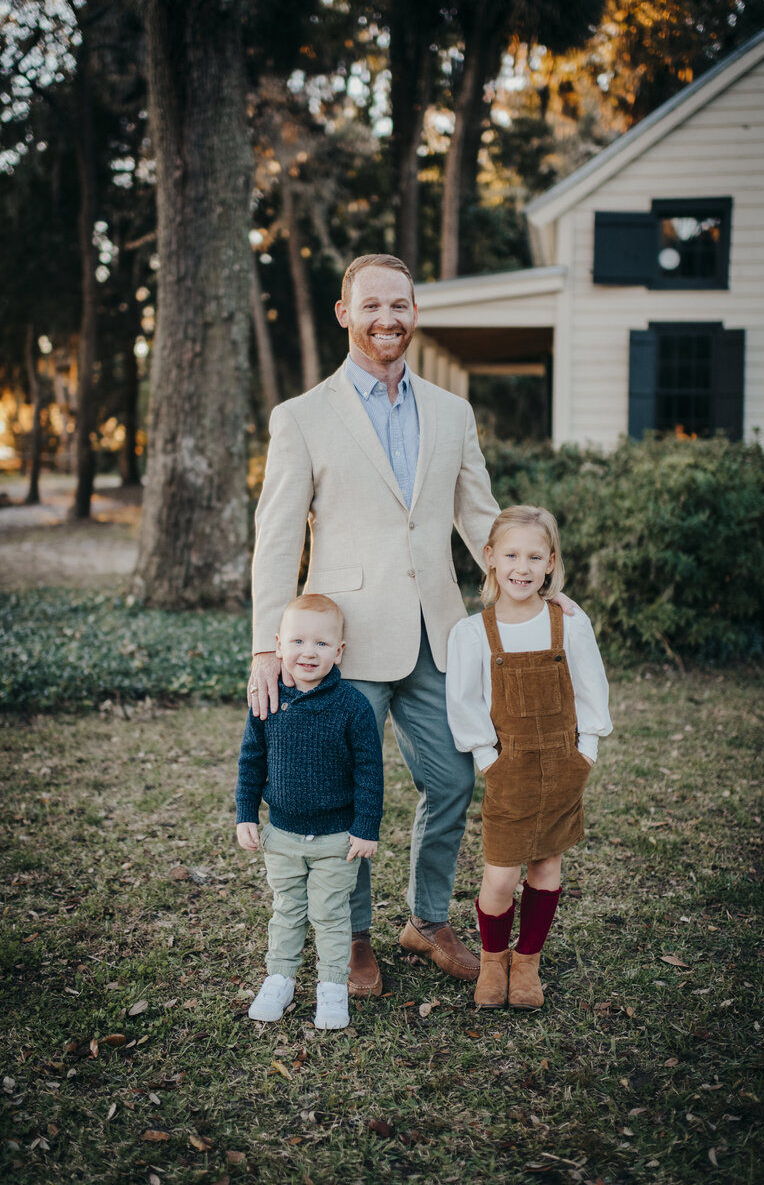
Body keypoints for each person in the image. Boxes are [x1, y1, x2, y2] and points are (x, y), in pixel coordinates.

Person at [247, 253, 504, 997]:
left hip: (437, 632)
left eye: (400, 304)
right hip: (341, 641)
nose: (387, 318)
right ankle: (353, 939)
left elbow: (479, 516)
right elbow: (276, 536)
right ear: (344, 313)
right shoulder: (301, 418)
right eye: (371, 305)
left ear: (414, 312)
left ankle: (426, 921)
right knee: (343, 791)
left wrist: (538, 591)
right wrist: (270, 644)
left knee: (453, 778)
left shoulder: (452, 412)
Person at [446, 505, 612, 1009]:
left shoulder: (568, 624)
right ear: (491, 558)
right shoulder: (473, 632)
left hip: (564, 763)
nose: (522, 566)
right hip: (509, 767)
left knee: (546, 868)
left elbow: (591, 689)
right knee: (499, 876)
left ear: (550, 563)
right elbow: (464, 702)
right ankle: (493, 960)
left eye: (534, 556)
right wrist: (487, 758)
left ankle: (527, 964)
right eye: (512, 554)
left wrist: (586, 751)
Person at [236, 594, 384, 1030]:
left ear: (339, 651)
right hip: (281, 834)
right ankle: (279, 979)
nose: (308, 652)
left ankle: (333, 987)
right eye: (298, 641)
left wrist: (365, 827)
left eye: (321, 644)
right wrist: (247, 813)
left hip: (337, 837)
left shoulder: (352, 706)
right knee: (287, 909)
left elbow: (369, 771)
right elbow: (251, 760)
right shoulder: (267, 699)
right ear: (278, 645)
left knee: (331, 913)